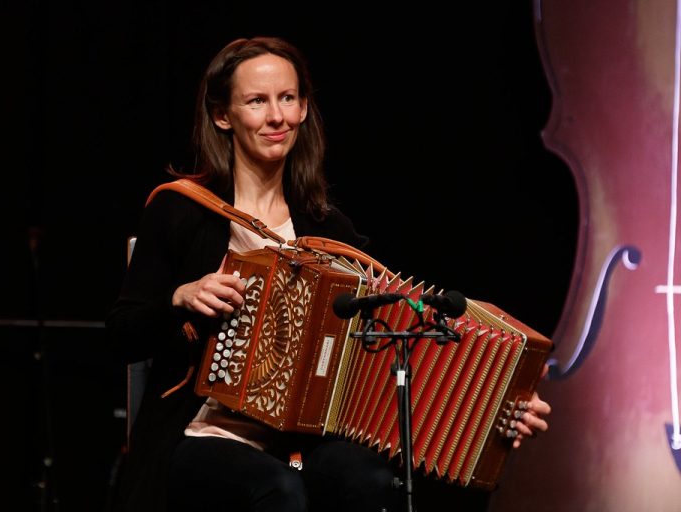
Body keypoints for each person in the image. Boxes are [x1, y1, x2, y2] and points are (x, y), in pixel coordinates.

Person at [106, 36, 551, 512]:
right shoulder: (180, 210)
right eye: (257, 101)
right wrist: (181, 297)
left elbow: (397, 339)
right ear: (222, 116)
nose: (277, 117)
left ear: (302, 109)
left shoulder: (328, 228)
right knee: (280, 492)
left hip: (308, 439)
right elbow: (121, 334)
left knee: (378, 483)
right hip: (201, 432)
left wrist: (496, 409)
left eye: (288, 99)